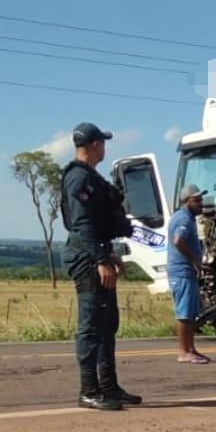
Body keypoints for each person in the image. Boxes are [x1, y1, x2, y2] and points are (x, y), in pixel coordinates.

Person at [60, 122, 139, 410]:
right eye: (103, 143)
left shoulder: (90, 177)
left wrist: (110, 254)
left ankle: (108, 387)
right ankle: (88, 390)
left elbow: (99, 223)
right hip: (87, 259)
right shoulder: (78, 178)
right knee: (91, 326)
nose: (104, 148)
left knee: (107, 324)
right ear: (95, 145)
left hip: (97, 254)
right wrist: (101, 260)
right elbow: (82, 225)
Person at [167, 184, 210, 364]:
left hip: (188, 272)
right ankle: (183, 352)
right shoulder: (183, 219)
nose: (201, 204)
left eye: (201, 199)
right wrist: (194, 260)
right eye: (197, 200)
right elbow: (178, 241)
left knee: (191, 313)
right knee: (184, 313)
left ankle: (191, 349)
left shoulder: (188, 218)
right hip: (182, 272)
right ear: (186, 202)